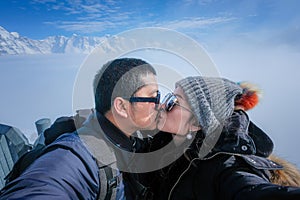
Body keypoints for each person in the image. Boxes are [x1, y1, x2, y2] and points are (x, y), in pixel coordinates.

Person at [0, 58, 159, 200]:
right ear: (122, 107)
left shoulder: (129, 136)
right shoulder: (74, 157)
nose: (159, 105)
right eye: (154, 98)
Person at [153, 76, 300, 200]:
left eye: (175, 102)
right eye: (169, 97)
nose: (163, 105)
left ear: (197, 122)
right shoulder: (167, 150)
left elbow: (254, 192)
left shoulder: (225, 167)